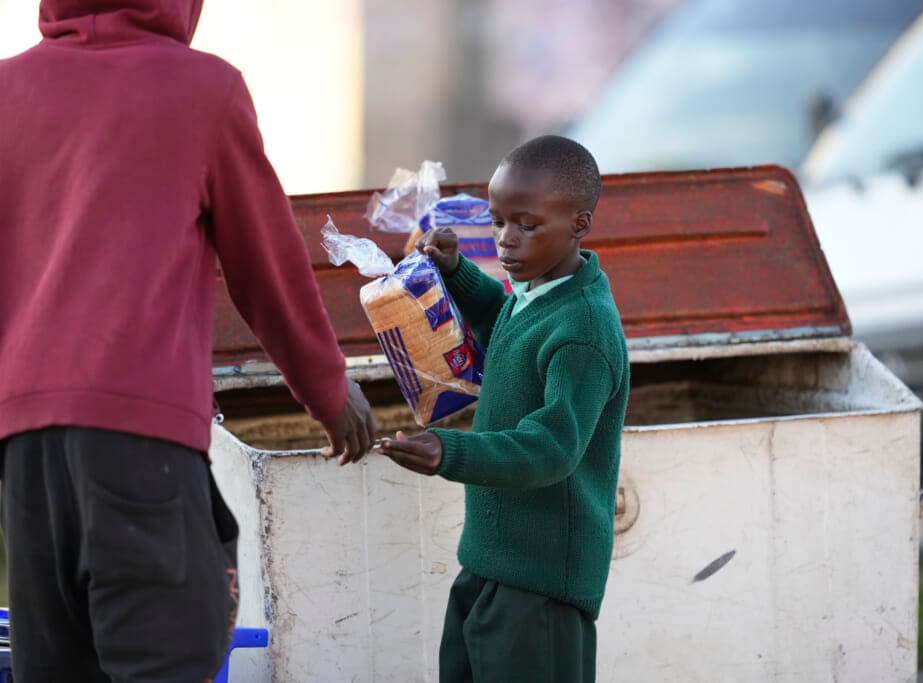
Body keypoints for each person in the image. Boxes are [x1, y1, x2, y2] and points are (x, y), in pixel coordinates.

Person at [0, 0, 375, 679]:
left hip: (25, 448)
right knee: (168, 653)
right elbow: (267, 268)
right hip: (139, 438)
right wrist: (328, 389)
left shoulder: (7, 91)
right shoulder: (204, 90)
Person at [379, 135, 630, 682]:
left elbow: (553, 447)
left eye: (527, 225)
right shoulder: (536, 291)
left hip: (541, 585)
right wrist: (456, 273)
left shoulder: (584, 329)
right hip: (490, 565)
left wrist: (451, 451)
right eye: (497, 222)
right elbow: (506, 328)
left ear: (579, 224)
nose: (506, 241)